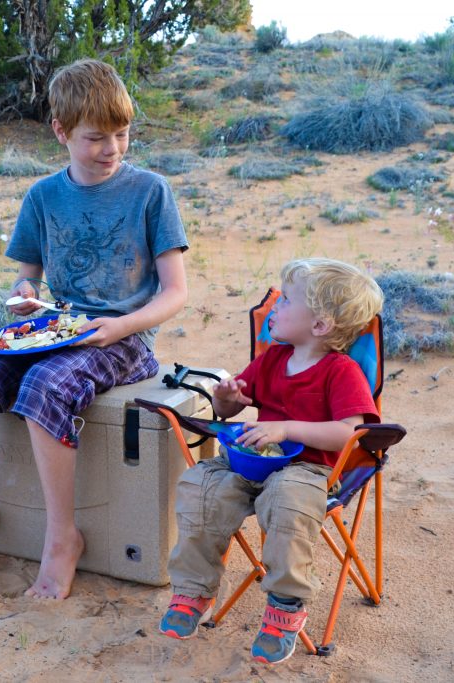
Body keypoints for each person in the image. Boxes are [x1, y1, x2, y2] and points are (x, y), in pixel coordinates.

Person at [0, 59, 188, 600]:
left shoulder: (150, 192)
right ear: (60, 131)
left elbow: (175, 293)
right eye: (96, 137)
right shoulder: (42, 196)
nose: (113, 149)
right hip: (60, 328)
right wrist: (25, 298)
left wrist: (121, 324)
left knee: (45, 386)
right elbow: (26, 280)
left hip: (127, 339)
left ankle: (62, 537)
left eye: (122, 135)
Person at [159, 258, 383, 664]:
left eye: (286, 301)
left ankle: (285, 607)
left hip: (309, 470)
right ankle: (193, 591)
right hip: (252, 463)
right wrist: (227, 397)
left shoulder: (341, 371)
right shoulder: (273, 360)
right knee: (200, 486)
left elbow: (349, 432)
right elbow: (228, 411)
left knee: (287, 502)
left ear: (320, 325)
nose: (274, 307)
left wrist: (287, 429)